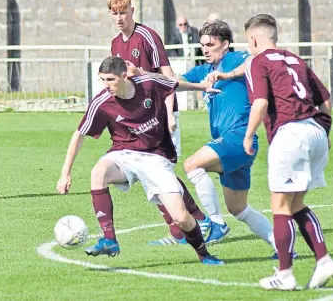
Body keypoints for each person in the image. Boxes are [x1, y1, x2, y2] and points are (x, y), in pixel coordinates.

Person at [56, 56, 224, 265]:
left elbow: (174, 84)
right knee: (98, 172)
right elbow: (79, 135)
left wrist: (202, 86)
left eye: (110, 79)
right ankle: (109, 239)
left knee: (181, 217)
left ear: (124, 76)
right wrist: (65, 173)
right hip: (123, 154)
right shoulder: (101, 102)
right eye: (102, 80)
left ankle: (204, 254)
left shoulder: (149, 84)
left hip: (155, 157)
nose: (105, 85)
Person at [242, 14, 333, 290]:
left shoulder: (257, 62)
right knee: (295, 204)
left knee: (280, 207)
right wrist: (325, 133)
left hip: (290, 134)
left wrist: (249, 136)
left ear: (253, 38)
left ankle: (285, 275)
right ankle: (323, 260)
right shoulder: (296, 59)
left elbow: (260, 102)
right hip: (315, 131)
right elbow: (325, 100)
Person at [107, 0, 211, 244]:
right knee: (149, 171)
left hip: (161, 114)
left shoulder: (147, 37)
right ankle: (192, 223)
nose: (119, 17)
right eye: (114, 13)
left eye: (123, 12)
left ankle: (191, 225)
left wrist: (169, 114)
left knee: (156, 170)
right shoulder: (115, 44)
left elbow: (169, 78)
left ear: (132, 10)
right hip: (138, 119)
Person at [172, 20, 280, 257]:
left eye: (210, 44)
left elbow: (255, 60)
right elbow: (174, 83)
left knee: (192, 165)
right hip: (235, 145)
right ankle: (282, 247)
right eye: (202, 45)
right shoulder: (202, 71)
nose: (205, 49)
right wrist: (198, 85)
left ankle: (216, 223)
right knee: (238, 208)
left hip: (239, 137)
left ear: (225, 44)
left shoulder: (236, 60)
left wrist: (227, 74)